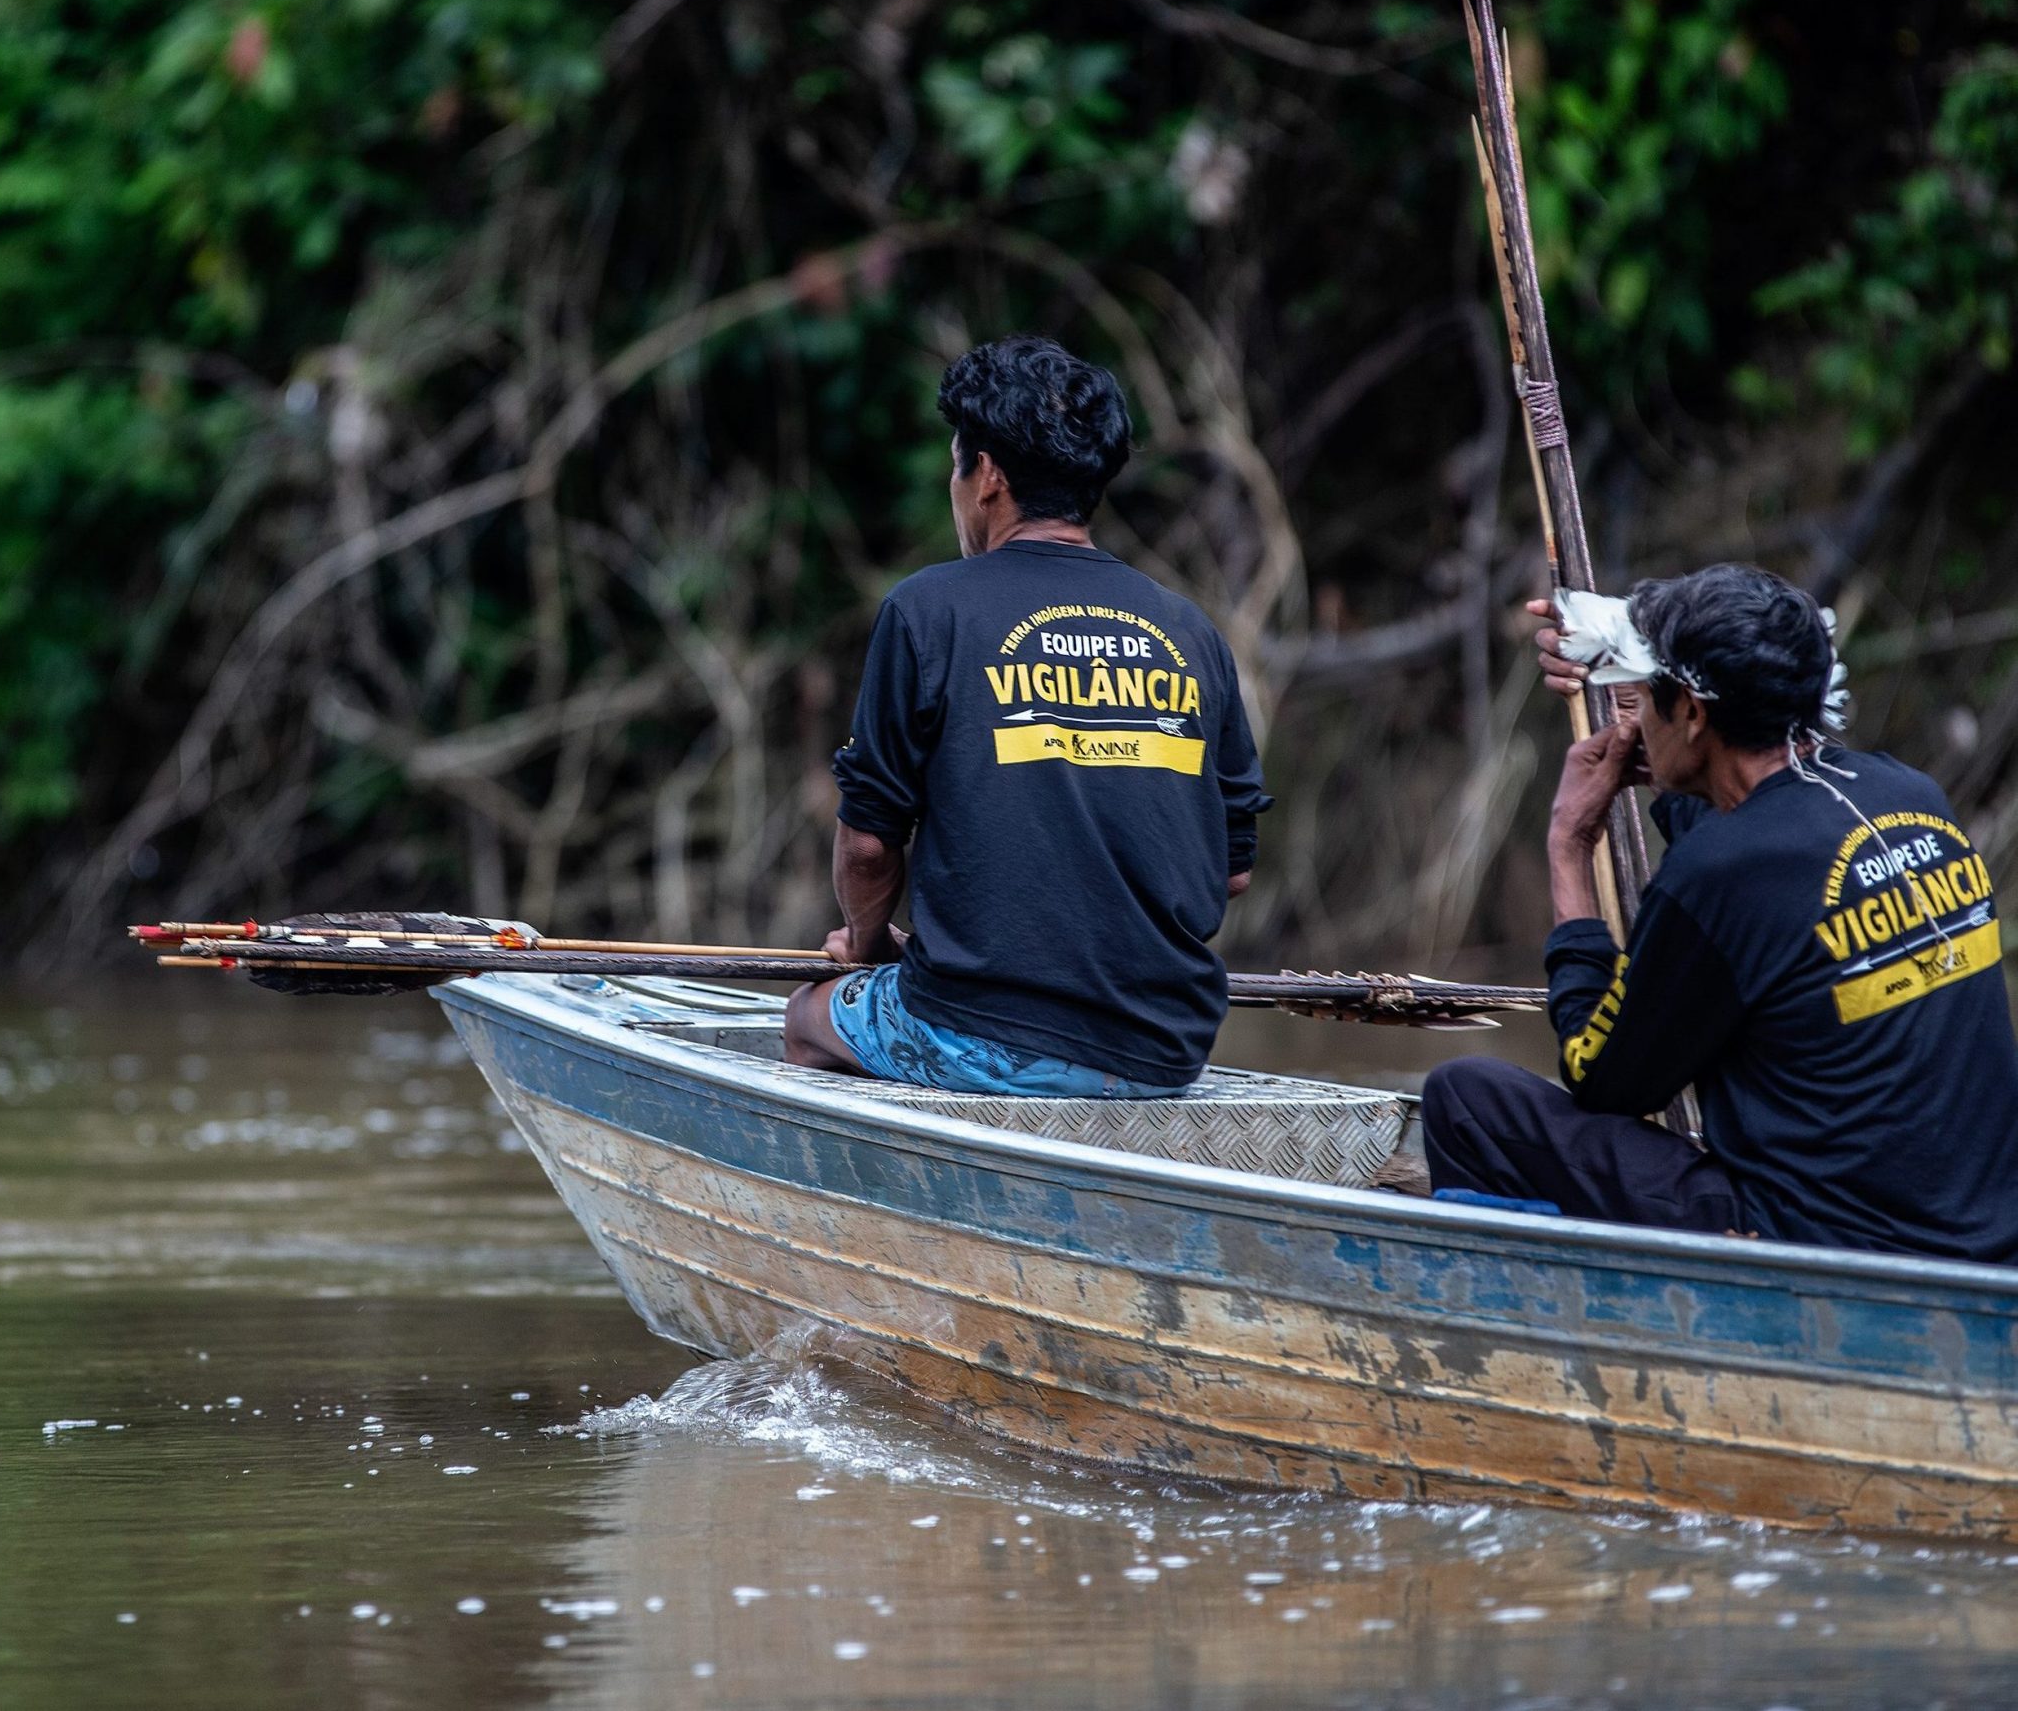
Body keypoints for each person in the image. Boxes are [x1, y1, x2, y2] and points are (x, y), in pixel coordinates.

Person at [1421, 563, 2018, 1261]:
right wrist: (1647, 716)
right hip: (1991, 1241)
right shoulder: (1910, 795)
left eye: (1644, 697)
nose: (1635, 710)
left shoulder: (1714, 877)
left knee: (1466, 1100)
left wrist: (1569, 847)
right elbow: (1759, 844)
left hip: (1827, 1247)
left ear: (1696, 713)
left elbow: (1601, 1076)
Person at [781, 335, 1272, 1096]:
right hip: (1168, 1051)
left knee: (808, 1018)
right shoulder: (1189, 631)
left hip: (981, 1030)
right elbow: (1233, 871)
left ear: (988, 478)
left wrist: (868, 944)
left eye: (956, 464)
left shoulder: (927, 609)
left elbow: (871, 848)